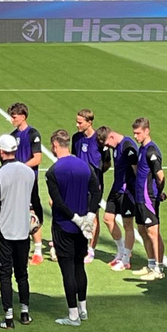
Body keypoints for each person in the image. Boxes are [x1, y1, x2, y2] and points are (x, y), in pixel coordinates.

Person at [0, 134, 35, 329]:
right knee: (22, 274)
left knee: (5, 275)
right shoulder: (29, 172)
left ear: (1, 152)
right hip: (23, 230)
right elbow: (35, 200)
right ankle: (25, 313)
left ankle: (9, 317)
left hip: (3, 231)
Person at [45, 130, 98, 327]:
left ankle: (73, 315)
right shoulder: (85, 166)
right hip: (82, 228)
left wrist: (75, 219)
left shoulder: (53, 171)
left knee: (67, 270)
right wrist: (88, 217)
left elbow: (57, 202)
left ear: (55, 145)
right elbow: (96, 192)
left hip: (64, 225)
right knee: (79, 266)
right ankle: (83, 309)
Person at [96, 126, 140, 271]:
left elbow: (137, 170)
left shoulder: (127, 146)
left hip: (127, 191)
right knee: (108, 218)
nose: (107, 146)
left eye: (107, 143)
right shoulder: (116, 147)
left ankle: (126, 259)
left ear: (112, 136)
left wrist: (138, 190)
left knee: (128, 224)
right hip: (117, 188)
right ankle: (121, 252)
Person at [8, 102, 45, 264]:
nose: (12, 120)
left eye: (14, 117)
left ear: (23, 117)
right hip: (15, 181)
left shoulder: (33, 134)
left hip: (29, 181)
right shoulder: (12, 135)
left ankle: (38, 251)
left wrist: (20, 167)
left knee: (32, 214)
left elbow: (37, 158)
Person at [132, 118, 167, 281]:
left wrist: (159, 192)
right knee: (142, 230)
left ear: (147, 131)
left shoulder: (152, 151)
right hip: (140, 196)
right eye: (134, 133)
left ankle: (159, 268)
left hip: (148, 197)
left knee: (153, 232)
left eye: (138, 133)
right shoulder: (142, 149)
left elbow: (160, 176)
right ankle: (151, 264)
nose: (135, 136)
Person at [71, 109, 104, 264]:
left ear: (89, 122)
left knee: (93, 216)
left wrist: (95, 180)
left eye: (80, 122)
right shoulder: (76, 138)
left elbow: (106, 163)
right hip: (78, 184)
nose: (77, 125)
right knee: (78, 213)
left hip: (93, 185)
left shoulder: (99, 139)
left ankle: (91, 249)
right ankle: (79, 245)